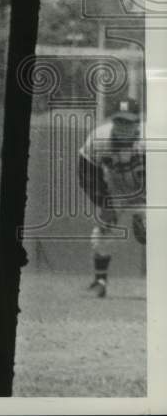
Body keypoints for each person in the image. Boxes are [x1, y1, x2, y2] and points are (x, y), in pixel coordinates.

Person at [76, 97, 145, 298]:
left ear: (137, 123)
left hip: (148, 193)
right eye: (119, 121)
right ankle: (100, 281)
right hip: (116, 193)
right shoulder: (99, 139)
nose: (123, 127)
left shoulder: (150, 141)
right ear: (112, 121)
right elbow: (86, 173)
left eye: (128, 122)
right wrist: (103, 202)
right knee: (101, 234)